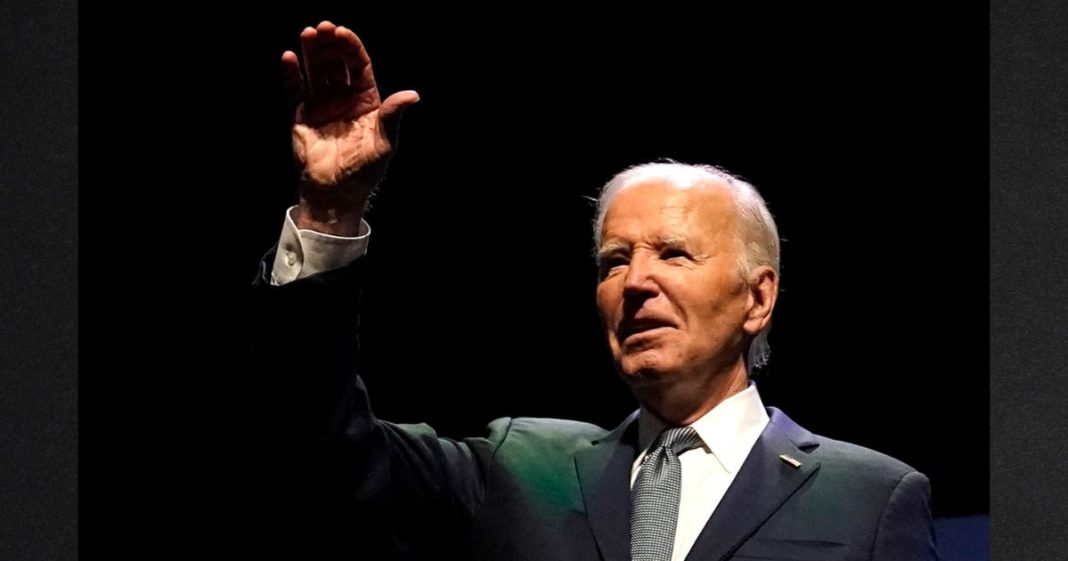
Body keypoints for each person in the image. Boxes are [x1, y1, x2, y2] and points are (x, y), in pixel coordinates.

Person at [250, 20, 938, 561]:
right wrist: (328, 213)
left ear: (758, 299)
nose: (636, 281)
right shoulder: (520, 470)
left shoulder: (871, 496)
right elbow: (319, 443)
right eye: (614, 260)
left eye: (673, 253)